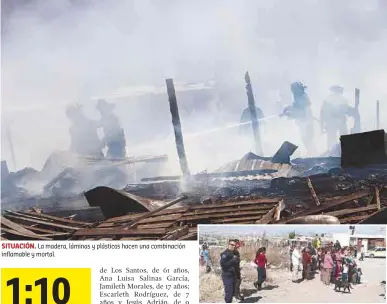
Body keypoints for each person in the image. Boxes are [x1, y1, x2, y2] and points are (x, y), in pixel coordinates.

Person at [281, 82, 315, 154]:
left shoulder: (303, 97)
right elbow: (295, 107)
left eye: (294, 89)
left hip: (306, 122)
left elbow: (303, 112)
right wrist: (286, 109)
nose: (293, 91)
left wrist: (289, 114)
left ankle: (312, 153)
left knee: (307, 139)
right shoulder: (298, 97)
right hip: (302, 122)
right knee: (305, 139)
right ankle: (311, 152)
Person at [320, 85, 355, 150]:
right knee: (333, 138)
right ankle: (334, 150)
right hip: (333, 121)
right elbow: (323, 112)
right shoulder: (330, 99)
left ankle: (341, 149)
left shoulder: (341, 99)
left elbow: (346, 110)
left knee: (340, 137)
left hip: (338, 121)